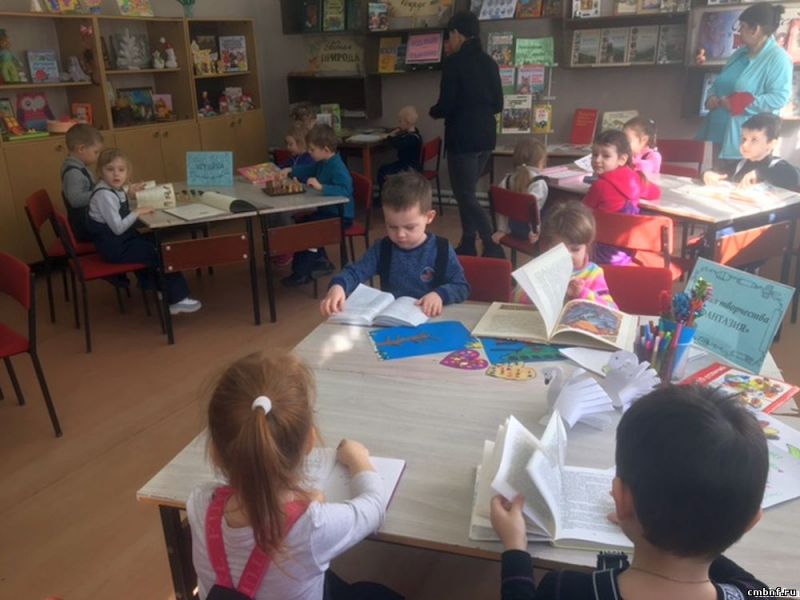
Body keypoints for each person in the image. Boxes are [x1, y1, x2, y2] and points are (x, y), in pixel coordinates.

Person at [490, 384, 769, 599]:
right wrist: (697, 527)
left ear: (621, 500)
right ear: (751, 521)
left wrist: (515, 549)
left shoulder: (566, 589)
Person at [187, 352, 402, 600]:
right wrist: (358, 459)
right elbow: (374, 508)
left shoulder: (199, 504)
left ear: (214, 452)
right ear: (310, 441)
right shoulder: (312, 527)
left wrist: (308, 505)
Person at [321, 171, 469, 318]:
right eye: (392, 226)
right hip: (392, 320)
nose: (400, 234)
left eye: (410, 227)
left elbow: (461, 286)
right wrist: (338, 286)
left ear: (429, 217)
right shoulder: (383, 248)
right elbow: (355, 272)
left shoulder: (442, 249)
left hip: (432, 319)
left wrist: (440, 295)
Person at [86, 148, 201, 315]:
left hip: (119, 241)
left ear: (127, 172)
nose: (116, 174)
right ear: (100, 172)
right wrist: (138, 211)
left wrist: (129, 193)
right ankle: (178, 299)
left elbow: (119, 199)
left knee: (155, 242)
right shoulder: (104, 195)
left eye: (121, 170)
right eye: (110, 169)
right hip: (115, 248)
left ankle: (159, 287)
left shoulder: (112, 189)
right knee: (161, 252)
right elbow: (118, 228)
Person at [429, 10, 505, 259]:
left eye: (448, 36)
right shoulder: (489, 62)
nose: (447, 42)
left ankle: (491, 243)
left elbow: (445, 105)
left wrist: (433, 112)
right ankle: (468, 242)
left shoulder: (454, 63)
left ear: (457, 34)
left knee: (465, 194)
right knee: (468, 192)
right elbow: (498, 104)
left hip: (462, 138)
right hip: (486, 137)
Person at [697, 3, 792, 165]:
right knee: (715, 180)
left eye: (742, 27)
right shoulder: (739, 54)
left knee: (738, 180)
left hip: (747, 142)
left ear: (755, 29)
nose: (739, 32)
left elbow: (779, 98)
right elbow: (719, 83)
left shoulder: (778, 58)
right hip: (718, 133)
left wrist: (738, 103)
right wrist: (711, 97)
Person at [280, 124, 354, 287]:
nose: (309, 152)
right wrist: (291, 170)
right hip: (329, 212)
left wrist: (322, 187)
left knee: (309, 230)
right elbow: (308, 169)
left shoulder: (337, 166)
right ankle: (320, 261)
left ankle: (302, 273)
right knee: (302, 223)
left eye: (312, 149)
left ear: (325, 149)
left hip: (342, 216)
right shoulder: (323, 162)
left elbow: (346, 189)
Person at [514, 201, 616, 309]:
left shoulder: (593, 273)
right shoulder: (537, 269)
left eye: (575, 249)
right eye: (559, 250)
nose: (567, 256)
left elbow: (611, 309)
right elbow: (515, 300)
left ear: (586, 248)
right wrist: (539, 294)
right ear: (547, 247)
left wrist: (582, 293)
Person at [584, 130, 661, 265]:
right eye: (595, 154)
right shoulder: (635, 178)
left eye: (606, 156)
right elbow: (656, 193)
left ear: (622, 159)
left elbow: (582, 212)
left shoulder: (599, 186)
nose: (597, 160)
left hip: (597, 254)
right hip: (625, 253)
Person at [703, 112, 800, 191]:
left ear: (771, 144)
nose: (745, 145)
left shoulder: (778, 165)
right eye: (744, 139)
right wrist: (707, 174)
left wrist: (759, 174)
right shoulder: (740, 165)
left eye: (754, 140)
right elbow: (716, 171)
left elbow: (792, 176)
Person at [492, 137, 548, 245]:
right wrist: (535, 232)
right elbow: (534, 211)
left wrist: (502, 230)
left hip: (513, 229)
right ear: (540, 162)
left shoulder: (507, 179)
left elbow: (502, 207)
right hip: (531, 233)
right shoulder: (539, 183)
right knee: (555, 209)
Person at [61, 124, 104, 243]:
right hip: (85, 228)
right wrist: (100, 192)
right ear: (81, 149)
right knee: (122, 227)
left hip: (88, 221)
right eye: (96, 152)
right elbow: (75, 200)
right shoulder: (74, 173)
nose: (98, 156)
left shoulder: (80, 167)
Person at [377, 106, 423, 193]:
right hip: (410, 165)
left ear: (407, 122)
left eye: (400, 121)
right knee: (384, 168)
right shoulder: (415, 134)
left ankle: (384, 196)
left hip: (408, 167)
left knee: (382, 171)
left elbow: (397, 143)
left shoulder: (411, 139)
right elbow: (400, 140)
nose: (399, 124)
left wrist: (389, 136)